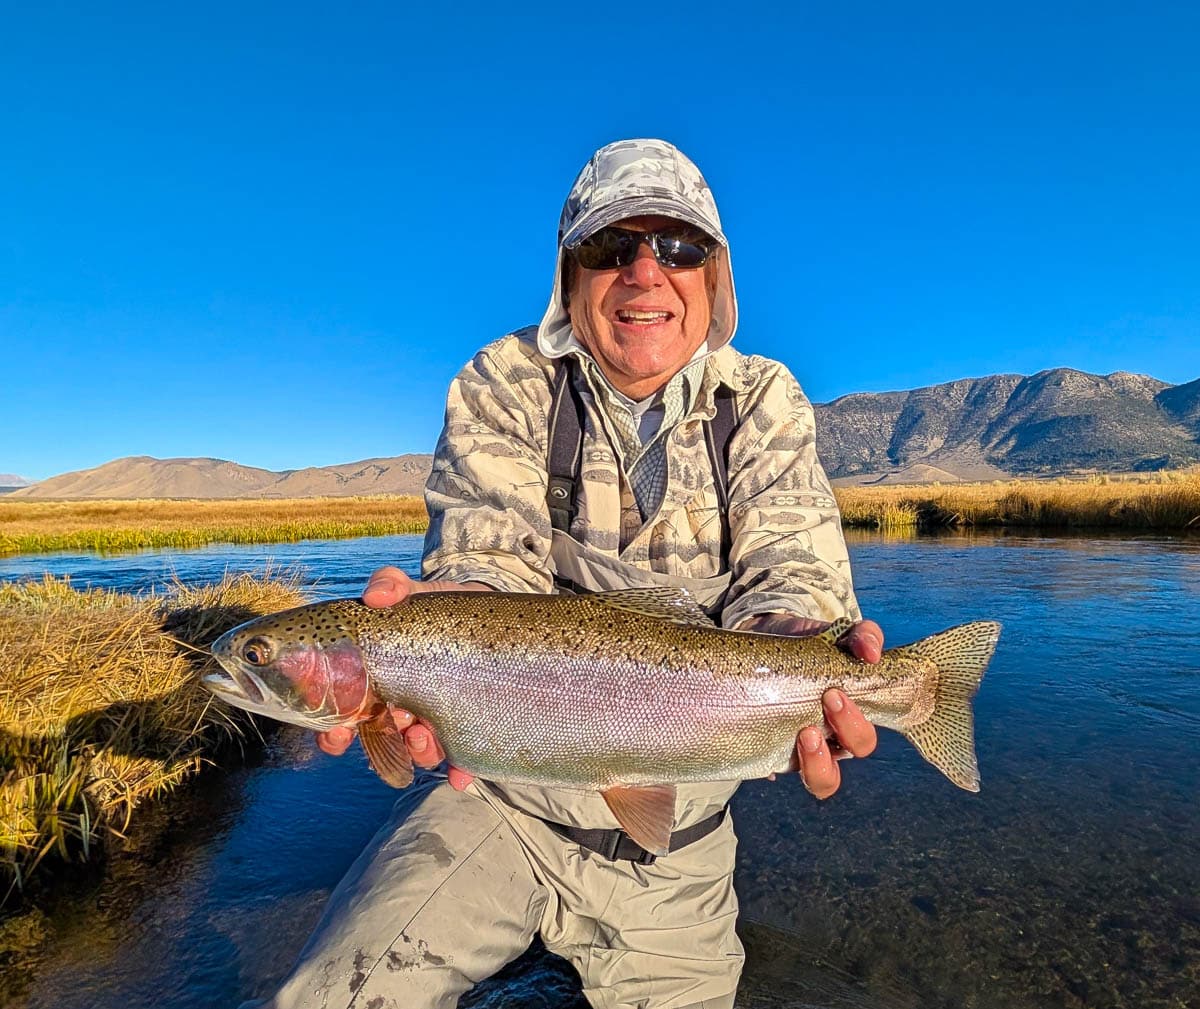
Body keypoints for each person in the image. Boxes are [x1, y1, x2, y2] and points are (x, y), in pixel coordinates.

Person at [246, 138, 882, 1009]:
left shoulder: (763, 399)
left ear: (717, 276)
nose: (646, 272)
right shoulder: (504, 382)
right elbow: (484, 573)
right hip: (494, 809)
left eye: (680, 247)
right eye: (610, 247)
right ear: (570, 274)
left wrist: (807, 650)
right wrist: (443, 621)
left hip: (678, 847)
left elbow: (792, 578)